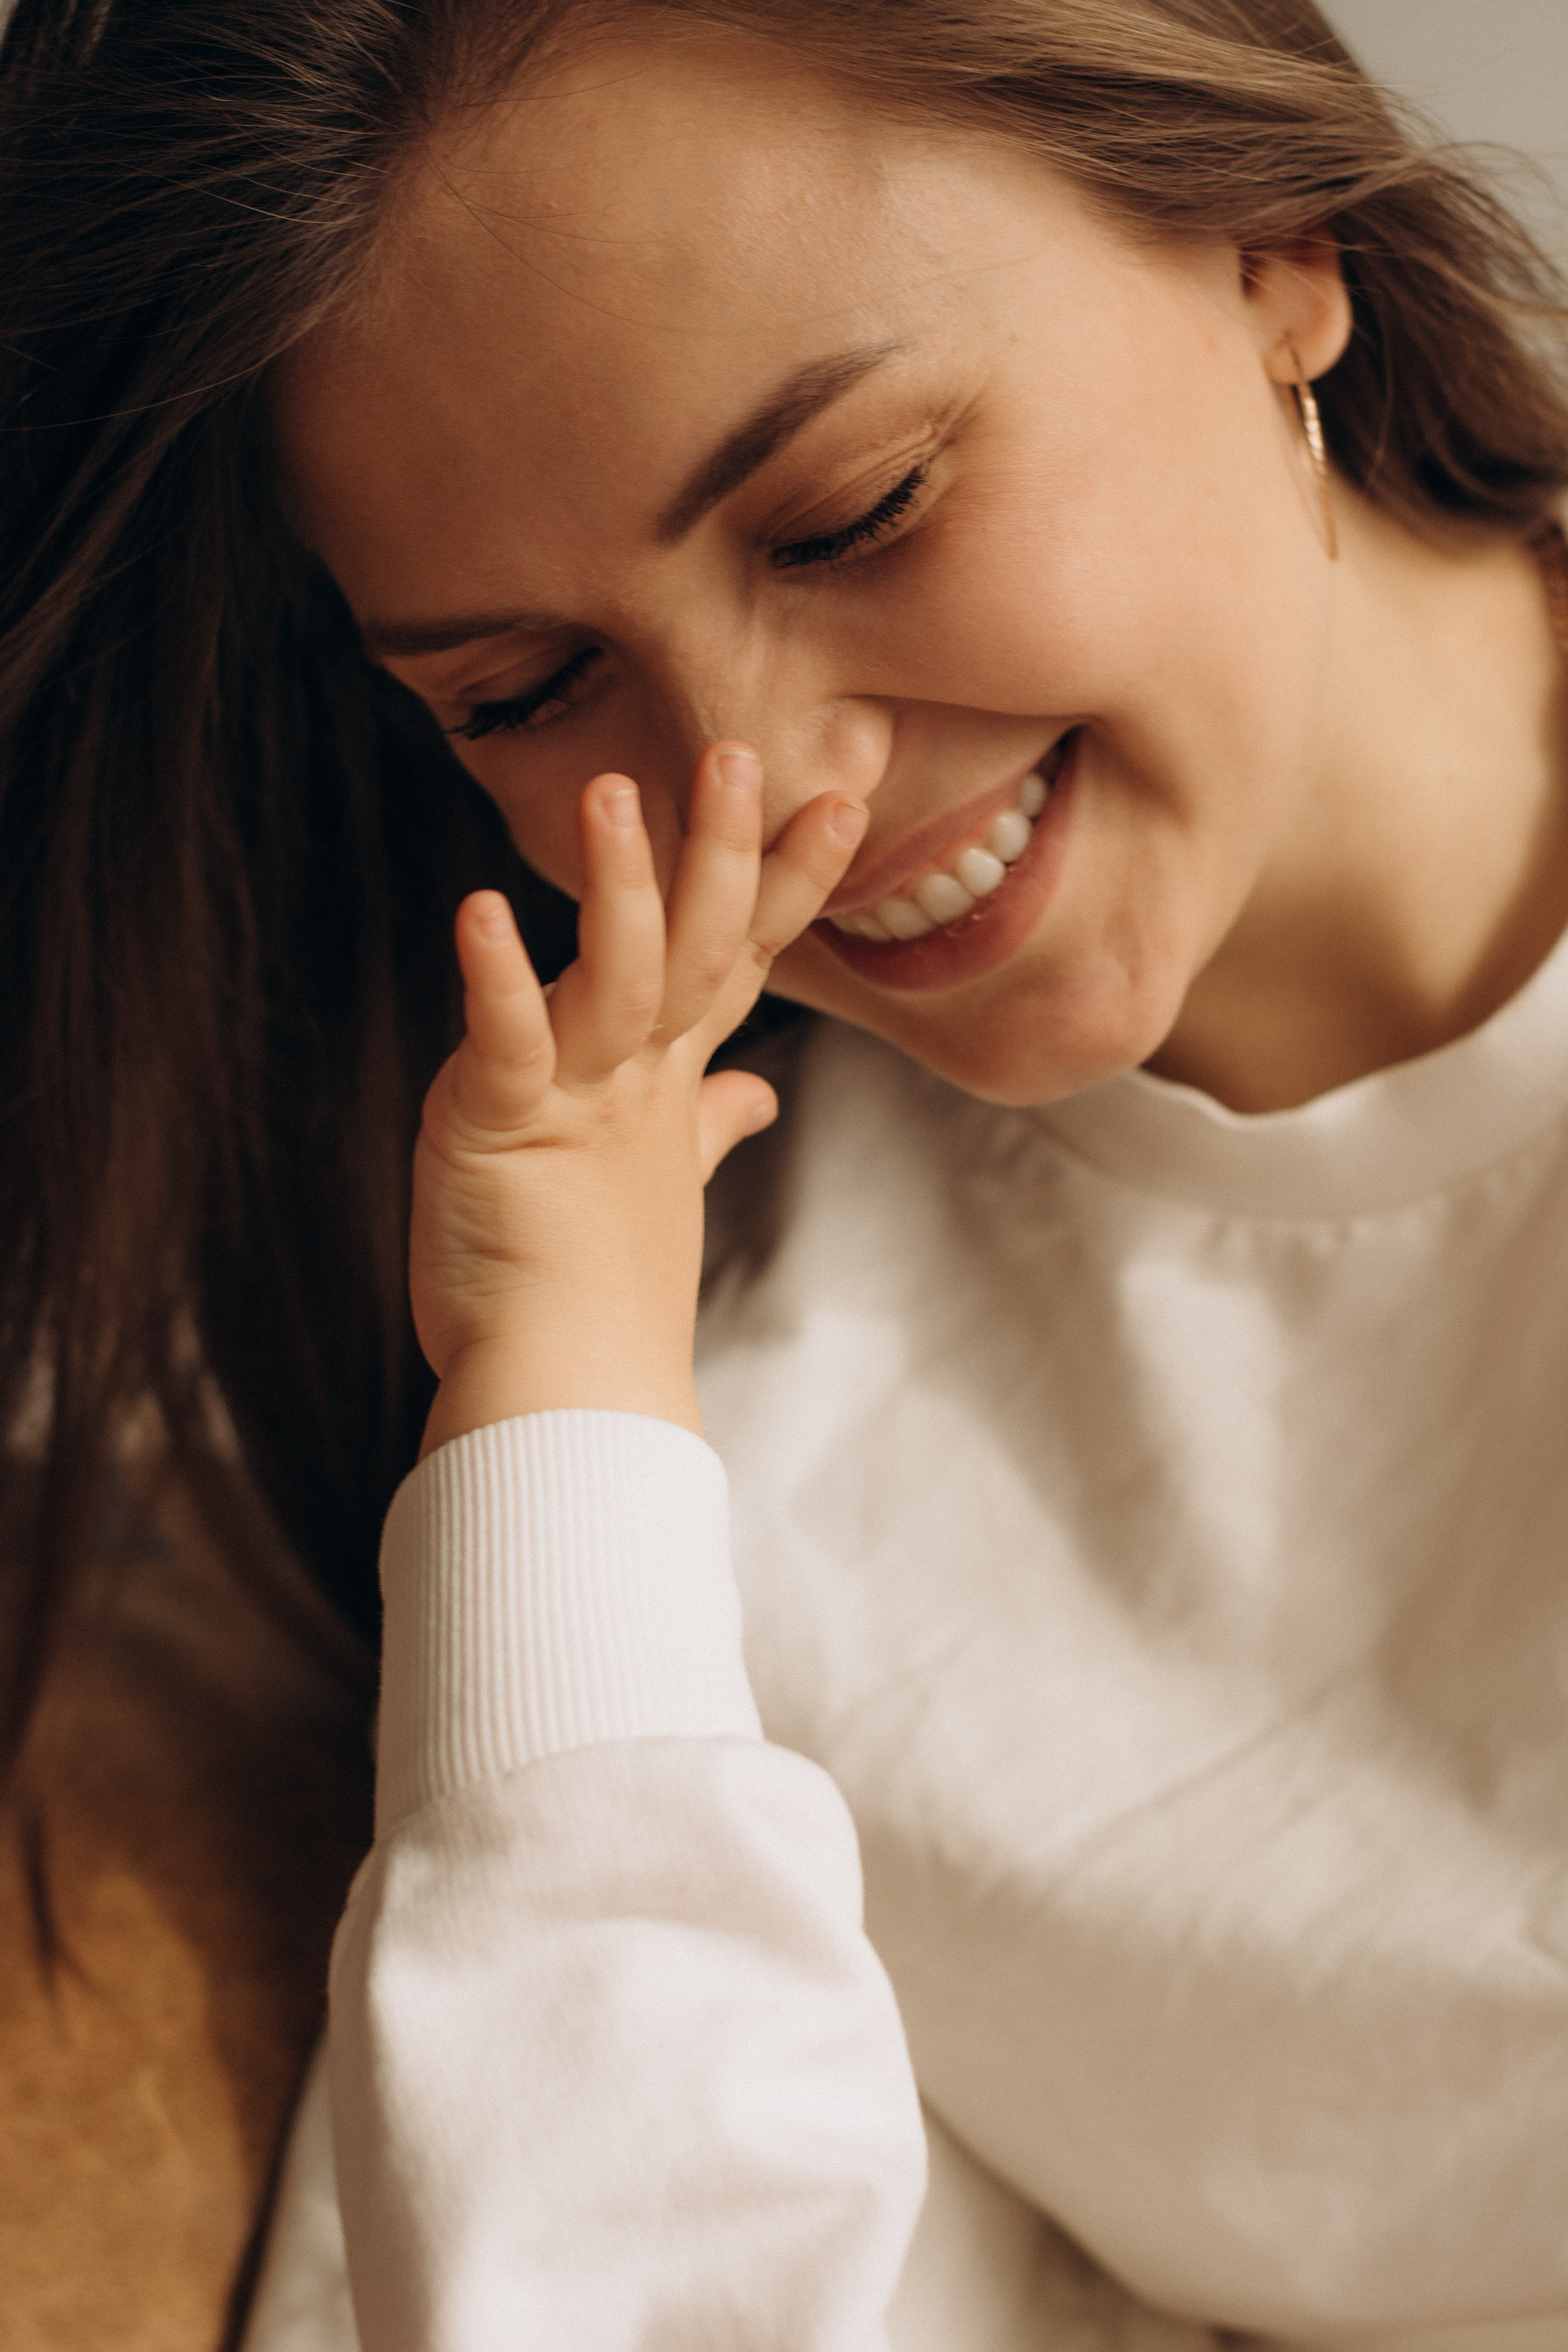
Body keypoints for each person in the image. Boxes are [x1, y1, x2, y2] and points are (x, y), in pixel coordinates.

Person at [2, 1, 1566, 2345]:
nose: (771, 791)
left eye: (858, 512)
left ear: (1273, 238)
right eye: (524, 692)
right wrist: (560, 1429)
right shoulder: (659, 1439)